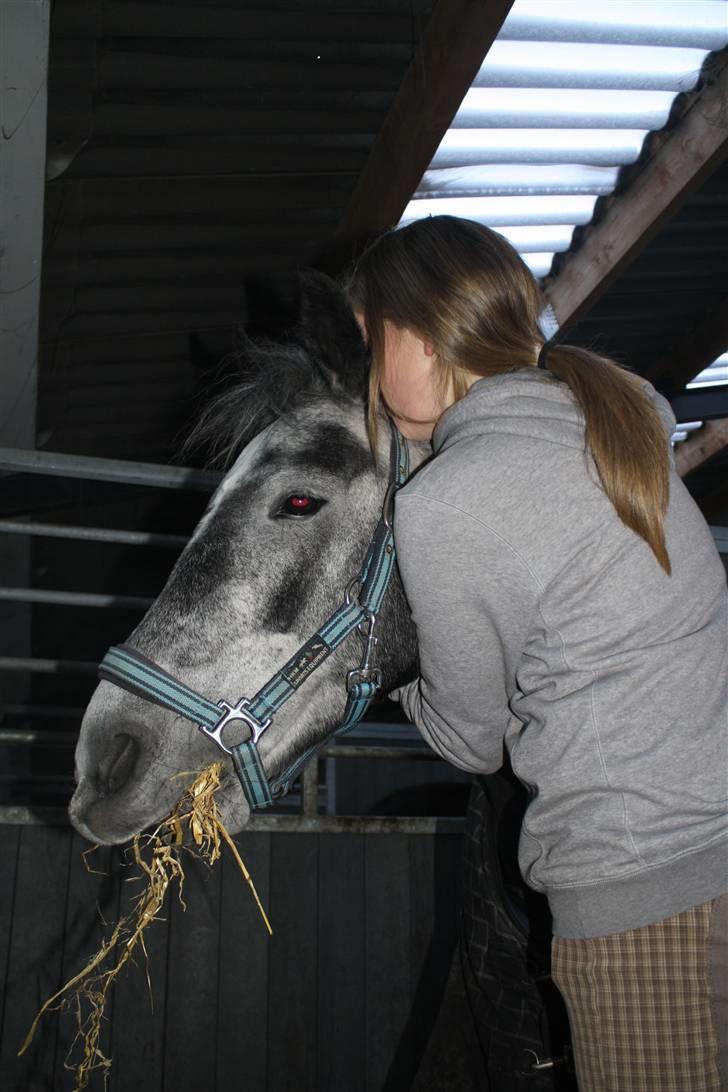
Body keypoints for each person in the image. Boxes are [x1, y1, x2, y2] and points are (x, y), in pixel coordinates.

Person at [346, 215, 728, 1092]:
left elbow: (470, 741)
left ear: (416, 331)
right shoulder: (612, 411)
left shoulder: (452, 503)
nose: (364, 374)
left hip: (640, 893)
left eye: (370, 341)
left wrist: (385, 659)